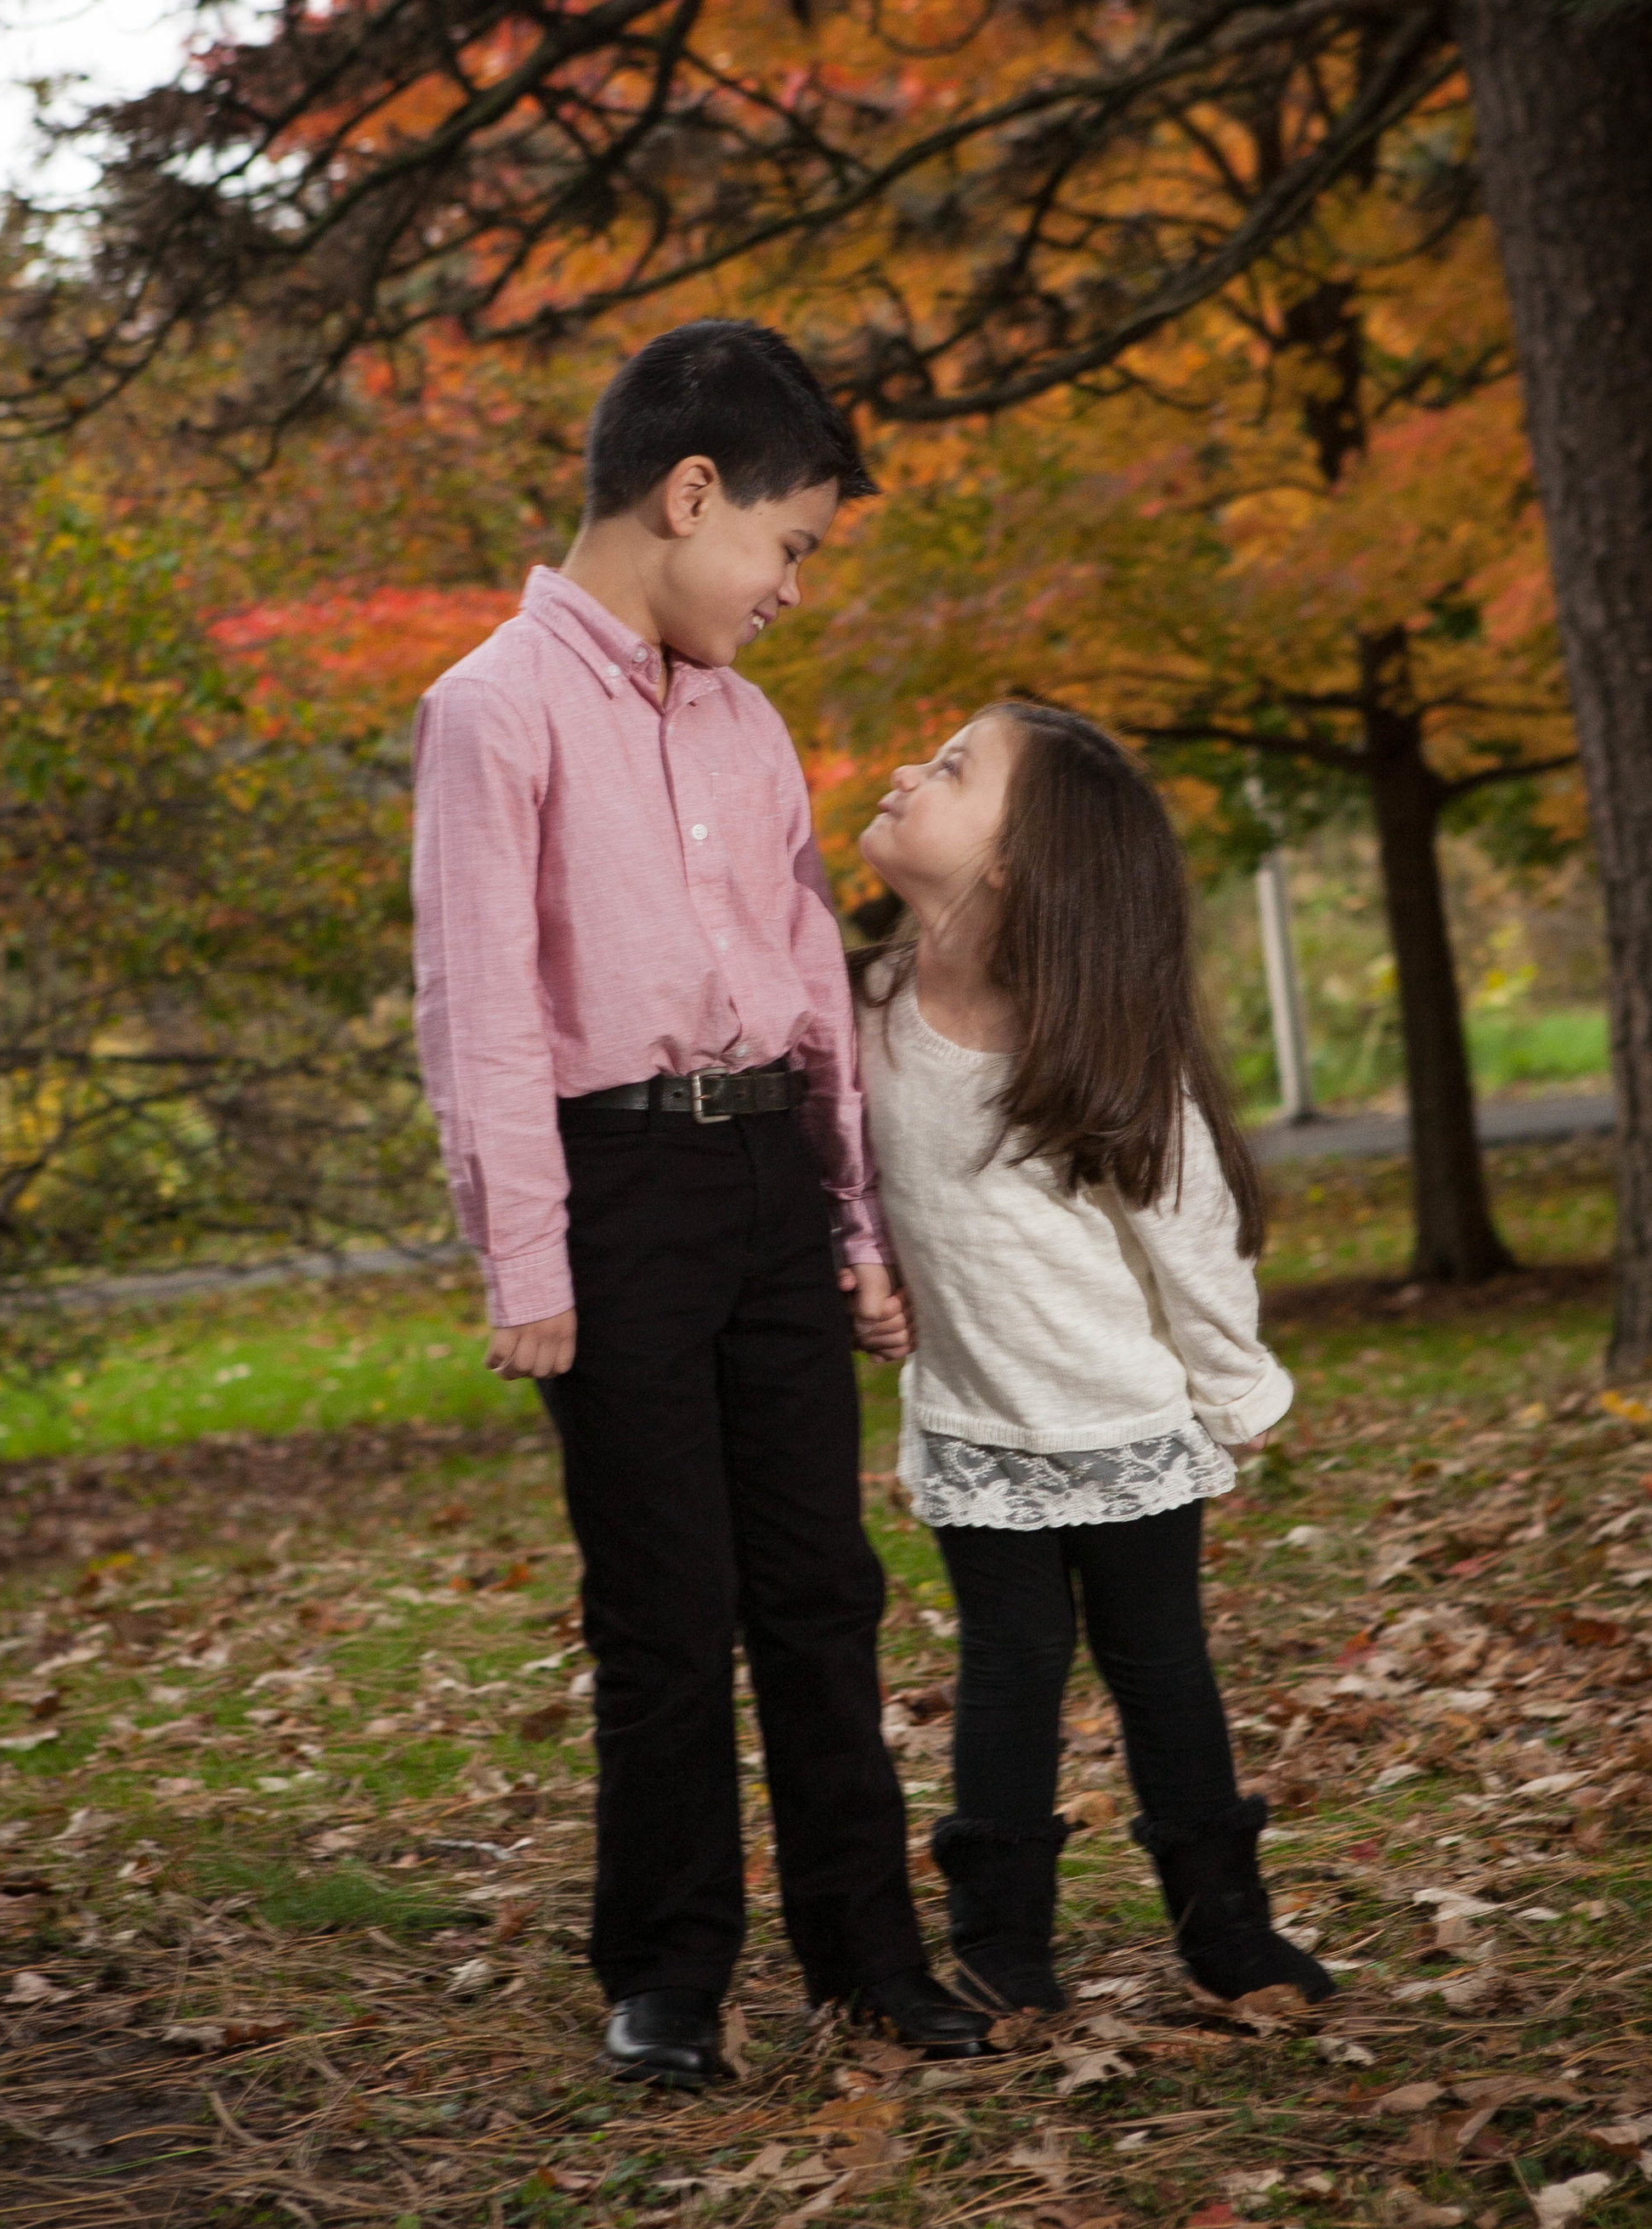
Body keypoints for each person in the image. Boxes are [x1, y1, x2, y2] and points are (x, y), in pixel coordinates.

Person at [410, 320, 988, 2085]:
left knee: (821, 1586)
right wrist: (526, 1254)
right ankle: (666, 1972)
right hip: (620, 1191)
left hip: (763, 1180)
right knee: (665, 1604)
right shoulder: (488, 712)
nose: (794, 589)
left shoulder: (747, 726)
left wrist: (855, 1228)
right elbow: (482, 1008)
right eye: (788, 546)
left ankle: (867, 1957)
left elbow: (812, 985)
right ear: (686, 495)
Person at [851, 700, 1334, 2017]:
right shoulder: (868, 1007)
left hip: (1124, 1422)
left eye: (951, 766)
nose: (909, 765)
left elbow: (1196, 1239)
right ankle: (1003, 1942)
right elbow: (854, 1187)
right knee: (1006, 1668)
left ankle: (1225, 1929)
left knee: (1160, 1663)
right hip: (977, 1424)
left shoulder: (1101, 1041)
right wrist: (867, 1274)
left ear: (1015, 861)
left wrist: (1237, 1389)